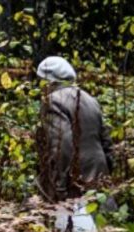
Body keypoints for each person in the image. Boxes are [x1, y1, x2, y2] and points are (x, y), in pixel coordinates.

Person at [35, 56, 114, 202]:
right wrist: (106, 171)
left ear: (49, 80)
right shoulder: (90, 99)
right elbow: (106, 141)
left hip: (74, 180)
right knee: (102, 222)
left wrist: (59, 186)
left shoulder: (53, 101)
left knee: (72, 223)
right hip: (99, 173)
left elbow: (61, 146)